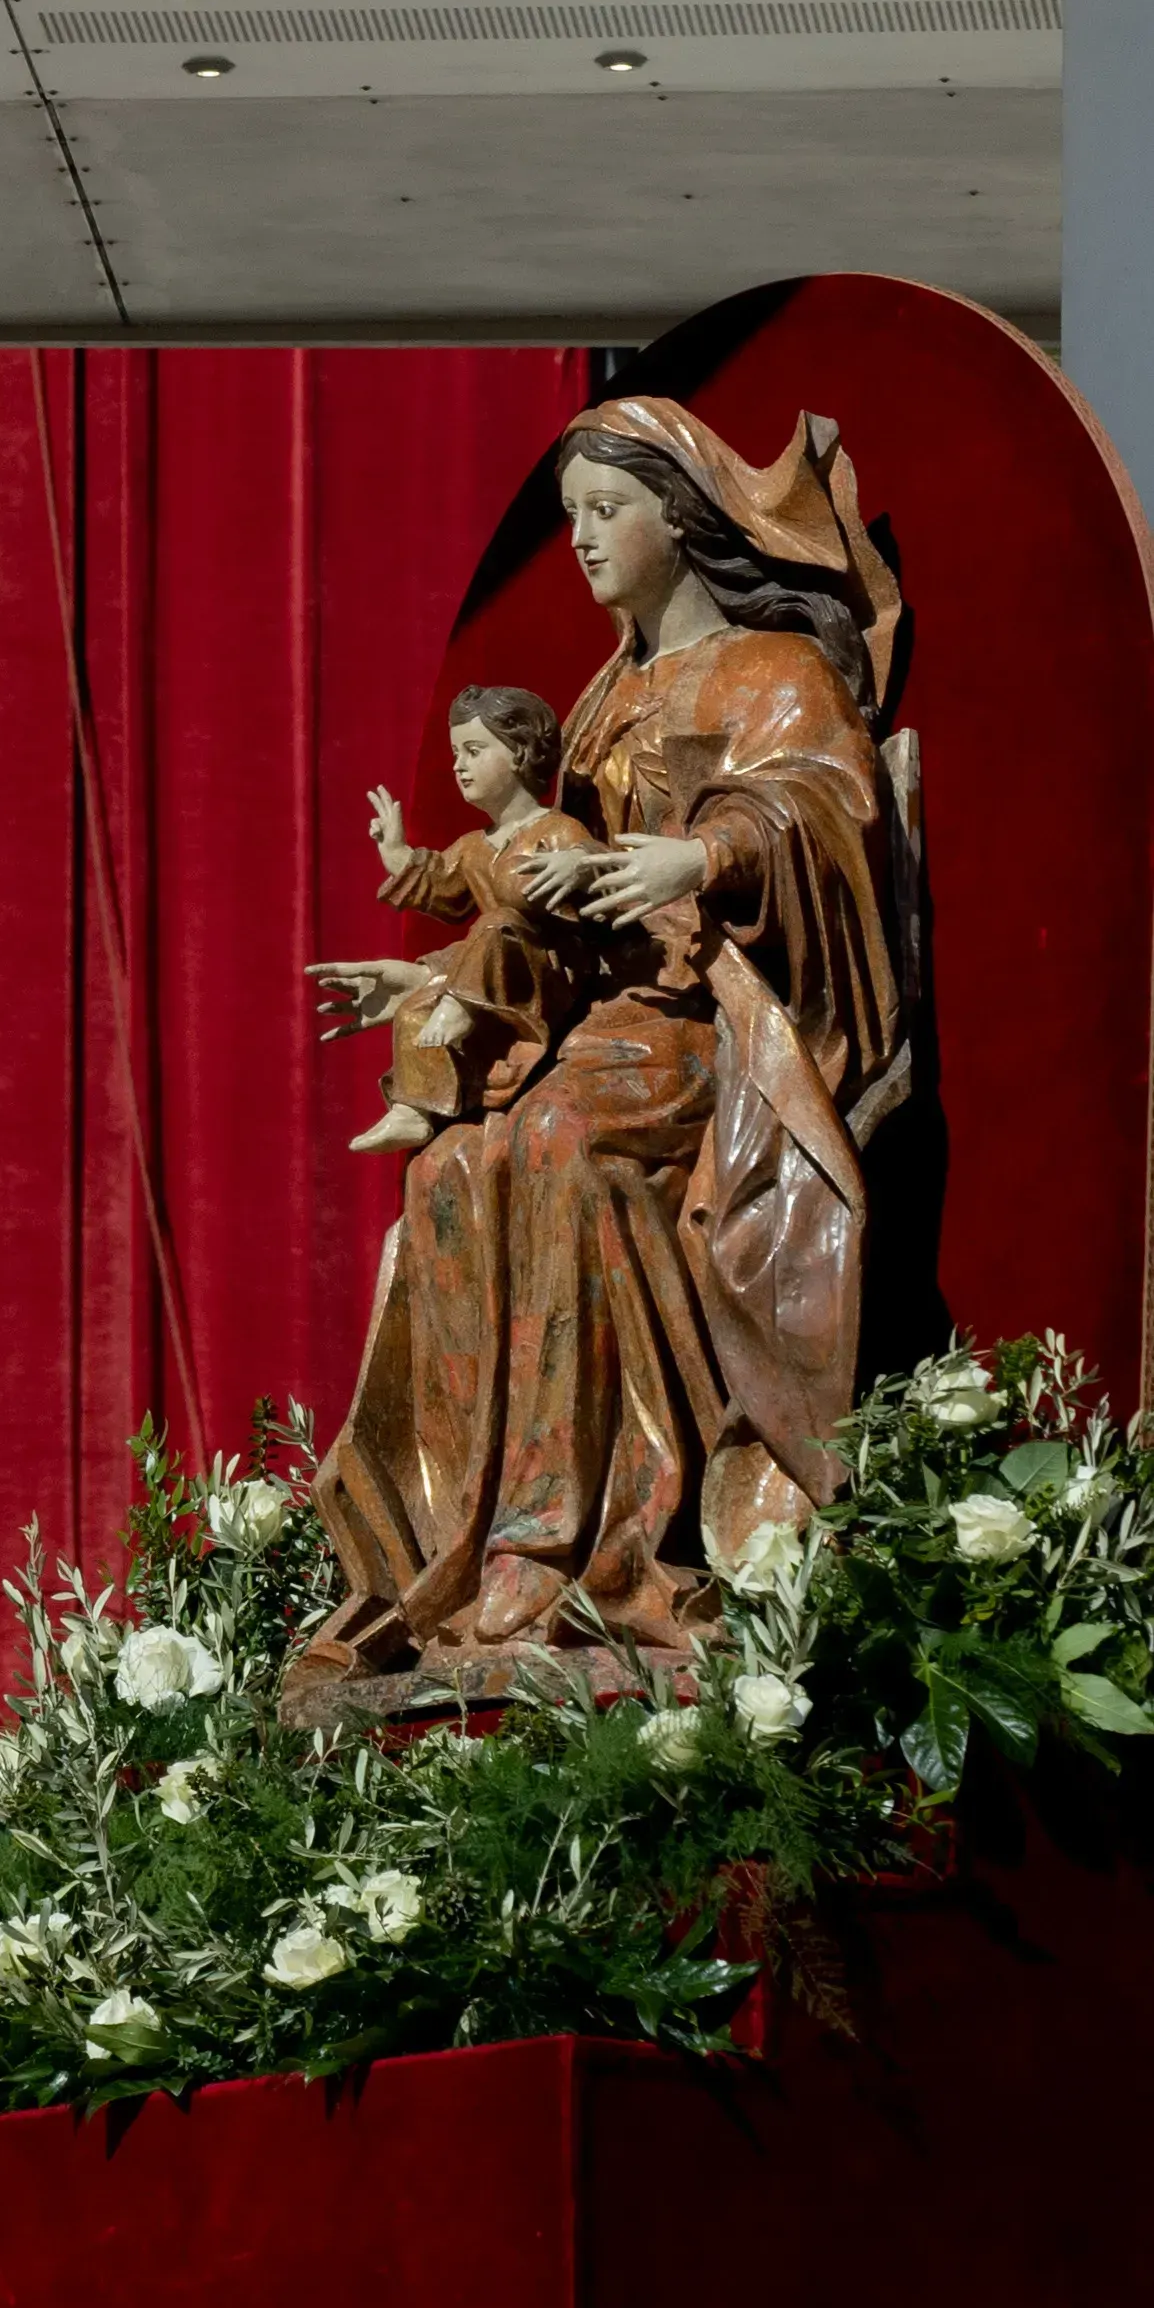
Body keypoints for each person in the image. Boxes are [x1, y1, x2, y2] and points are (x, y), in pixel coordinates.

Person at [295, 397, 913, 1698]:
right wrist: (426, 975)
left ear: (677, 520)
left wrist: (707, 850)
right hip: (594, 1024)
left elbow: (830, 811)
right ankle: (484, 1557)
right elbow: (534, 894)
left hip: (715, 1028)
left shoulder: (769, 672)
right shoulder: (593, 706)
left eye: (602, 511)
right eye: (569, 515)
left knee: (555, 1143)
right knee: (455, 1174)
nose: (577, 540)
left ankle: (602, 1538)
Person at [323, 685, 616, 1156]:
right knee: (419, 1005)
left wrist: (578, 864)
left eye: (474, 751)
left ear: (520, 754)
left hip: (553, 977)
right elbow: (442, 887)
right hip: (491, 976)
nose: (458, 765)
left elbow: (598, 868)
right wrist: (398, 855)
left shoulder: (555, 829)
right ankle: (413, 1109)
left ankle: (459, 1007)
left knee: (496, 923)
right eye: (456, 753)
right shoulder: (474, 846)